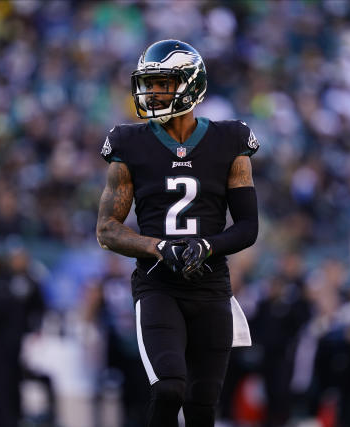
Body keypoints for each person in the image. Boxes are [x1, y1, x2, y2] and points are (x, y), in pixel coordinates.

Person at [96, 39, 259, 426]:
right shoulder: (128, 143)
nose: (151, 92)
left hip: (211, 287)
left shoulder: (230, 139)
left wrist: (207, 245)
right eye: (148, 84)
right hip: (159, 286)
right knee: (169, 388)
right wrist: (157, 247)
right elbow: (106, 229)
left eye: (162, 83)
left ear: (191, 83)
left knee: (202, 408)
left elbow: (249, 226)